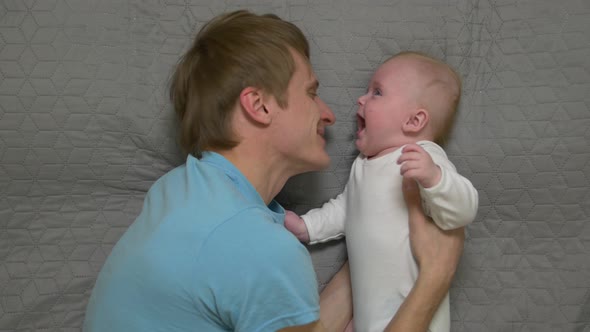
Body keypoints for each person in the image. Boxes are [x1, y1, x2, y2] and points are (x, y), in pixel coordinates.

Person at [83, 10, 465, 332]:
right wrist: (435, 276)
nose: (331, 114)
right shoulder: (260, 247)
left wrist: (373, 242)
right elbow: (260, 264)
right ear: (260, 106)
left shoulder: (177, 190)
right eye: (312, 93)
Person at [285, 52, 478, 332]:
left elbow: (465, 208)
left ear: (414, 121)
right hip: (368, 309)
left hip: (415, 308)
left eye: (377, 92)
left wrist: (435, 180)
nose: (361, 99)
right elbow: (347, 207)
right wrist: (308, 227)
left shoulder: (422, 156)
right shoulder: (363, 165)